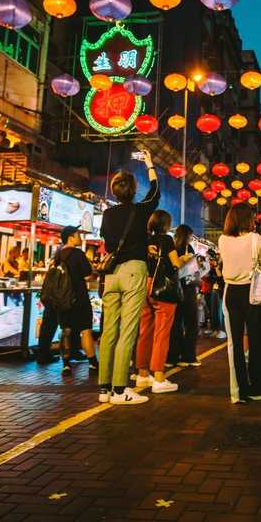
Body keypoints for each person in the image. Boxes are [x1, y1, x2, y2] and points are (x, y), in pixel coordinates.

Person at [97, 149, 159, 405]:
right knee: (128, 330)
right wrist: (149, 163)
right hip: (134, 270)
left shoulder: (107, 214)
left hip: (111, 275)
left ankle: (104, 389)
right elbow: (155, 193)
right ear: (133, 190)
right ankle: (121, 389)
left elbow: (107, 241)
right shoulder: (140, 210)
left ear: (114, 191)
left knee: (109, 330)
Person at [218, 202, 261, 403]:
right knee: (257, 341)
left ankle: (237, 391)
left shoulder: (222, 240)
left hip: (230, 292)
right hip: (251, 291)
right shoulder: (255, 238)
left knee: (235, 344)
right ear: (248, 219)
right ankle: (258, 388)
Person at [136, 211, 192, 393]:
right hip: (162, 289)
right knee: (162, 333)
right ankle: (159, 377)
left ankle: (142, 374)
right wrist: (184, 259)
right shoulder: (166, 240)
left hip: (145, 285)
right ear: (166, 224)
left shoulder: (145, 240)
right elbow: (175, 265)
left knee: (144, 331)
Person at [55, 226, 97, 377]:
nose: (80, 237)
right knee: (85, 330)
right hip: (79, 298)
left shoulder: (58, 254)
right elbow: (88, 275)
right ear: (71, 237)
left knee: (66, 330)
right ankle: (92, 362)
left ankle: (66, 365)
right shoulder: (78, 254)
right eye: (78, 234)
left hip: (63, 299)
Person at [166, 224, 202, 368]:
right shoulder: (189, 249)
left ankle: (172, 357)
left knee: (175, 325)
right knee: (191, 324)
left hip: (174, 290)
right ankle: (188, 357)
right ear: (187, 236)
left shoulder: (171, 248)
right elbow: (194, 271)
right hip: (187, 290)